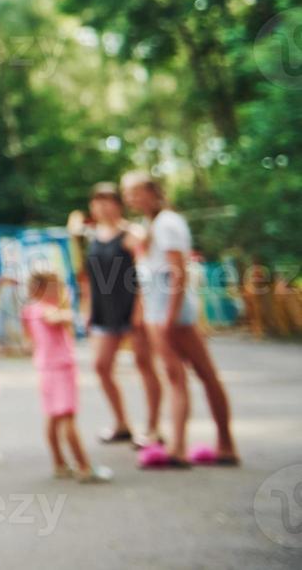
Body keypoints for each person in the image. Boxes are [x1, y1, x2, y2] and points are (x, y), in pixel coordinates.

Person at [121, 171, 239, 469]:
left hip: (169, 309)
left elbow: (178, 272)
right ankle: (218, 445)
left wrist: (168, 318)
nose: (129, 198)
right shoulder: (154, 224)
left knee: (186, 375)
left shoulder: (167, 223)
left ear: (152, 191)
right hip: (160, 307)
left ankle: (179, 447)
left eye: (135, 191)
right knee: (197, 373)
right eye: (126, 193)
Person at [66, 182, 162, 448]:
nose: (102, 206)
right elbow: (88, 278)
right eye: (97, 201)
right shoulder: (93, 236)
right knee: (101, 366)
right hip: (103, 311)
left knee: (145, 366)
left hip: (132, 310)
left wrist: (140, 309)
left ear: (118, 204)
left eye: (108, 200)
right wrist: (86, 308)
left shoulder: (132, 234)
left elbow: (145, 273)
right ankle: (122, 423)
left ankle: (154, 428)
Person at [22, 270, 112, 483]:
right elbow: (57, 319)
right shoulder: (47, 310)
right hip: (60, 369)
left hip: (46, 369)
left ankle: (60, 463)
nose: (59, 292)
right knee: (67, 417)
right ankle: (84, 466)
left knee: (53, 417)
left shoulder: (29, 311)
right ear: (40, 290)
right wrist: (68, 311)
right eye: (55, 287)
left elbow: (28, 342)